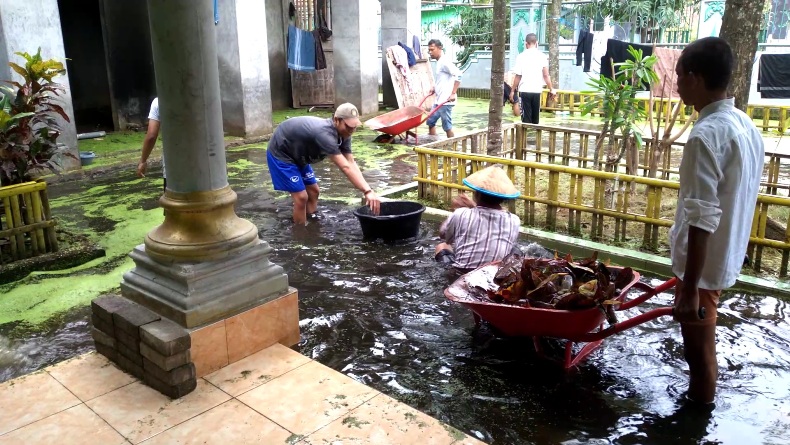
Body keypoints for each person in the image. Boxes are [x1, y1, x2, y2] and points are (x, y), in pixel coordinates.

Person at [670, 37, 764, 405]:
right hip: (724, 255)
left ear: (695, 78)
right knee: (700, 352)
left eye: (679, 76)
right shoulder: (744, 125)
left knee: (700, 356)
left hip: (704, 270)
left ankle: (695, 422)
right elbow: (740, 197)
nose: (675, 83)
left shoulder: (705, 136)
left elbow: (702, 218)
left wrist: (691, 287)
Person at [266, 103, 381, 225]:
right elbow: (345, 167)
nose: (352, 131)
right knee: (301, 197)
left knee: (314, 191)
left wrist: (369, 190)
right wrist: (367, 192)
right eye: (348, 127)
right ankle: (300, 234)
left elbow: (351, 162)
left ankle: (311, 221)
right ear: (337, 120)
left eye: (355, 127)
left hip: (300, 155)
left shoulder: (345, 134)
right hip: (282, 153)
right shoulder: (324, 134)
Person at [435, 166, 521, 274]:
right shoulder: (514, 220)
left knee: (442, 246)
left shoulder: (461, 214)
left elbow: (443, 235)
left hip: (461, 275)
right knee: (514, 251)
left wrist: (457, 211)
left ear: (477, 193)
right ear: (503, 198)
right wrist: (473, 207)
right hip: (493, 276)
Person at [510, 33, 556, 125]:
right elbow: (546, 75)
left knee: (526, 119)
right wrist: (551, 89)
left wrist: (512, 91)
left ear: (526, 44)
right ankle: (534, 138)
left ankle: (526, 138)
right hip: (536, 91)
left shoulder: (521, 56)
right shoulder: (542, 56)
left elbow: (518, 76)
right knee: (535, 119)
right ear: (537, 43)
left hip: (525, 91)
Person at [426, 39, 461, 138]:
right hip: (438, 100)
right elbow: (443, 79)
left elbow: (459, 75)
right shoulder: (439, 62)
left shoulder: (445, 62)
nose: (430, 52)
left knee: (447, 126)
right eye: (429, 50)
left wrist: (453, 93)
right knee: (430, 121)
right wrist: (434, 87)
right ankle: (432, 140)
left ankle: (452, 146)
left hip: (446, 101)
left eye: (432, 49)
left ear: (439, 48)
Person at [136, 97, 166, 190]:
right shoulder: (200, 96)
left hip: (173, 167)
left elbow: (151, 136)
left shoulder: (159, 101)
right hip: (203, 166)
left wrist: (143, 161)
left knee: (173, 202)